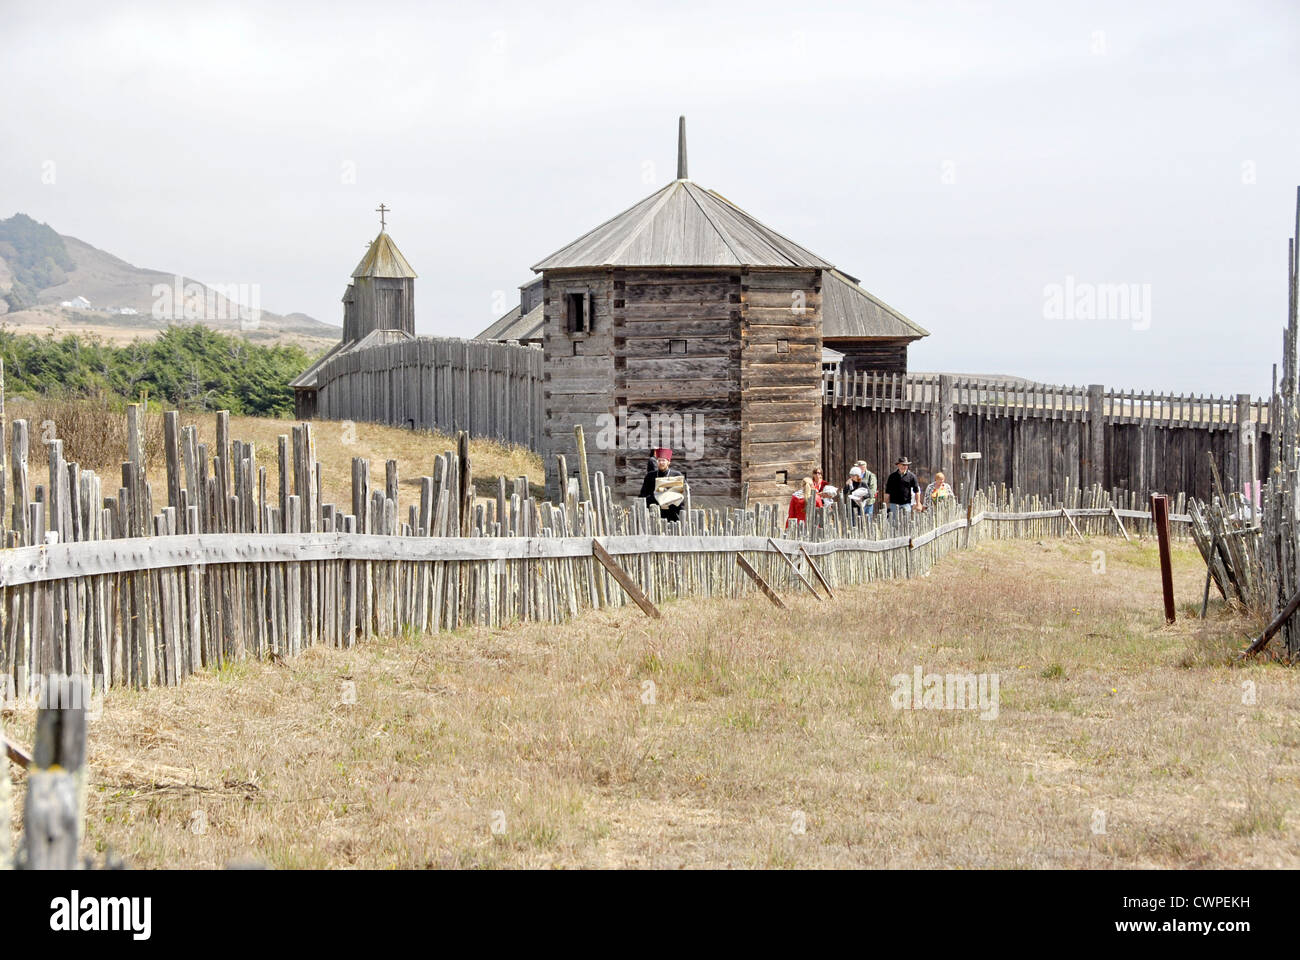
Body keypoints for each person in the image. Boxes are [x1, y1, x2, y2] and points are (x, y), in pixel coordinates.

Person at [638, 447, 684, 523]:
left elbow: (684, 493)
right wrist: (655, 496)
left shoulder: (676, 475)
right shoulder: (650, 476)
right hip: (654, 513)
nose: (661, 462)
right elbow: (643, 495)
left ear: (668, 462)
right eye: (659, 460)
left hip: (672, 514)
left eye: (663, 460)